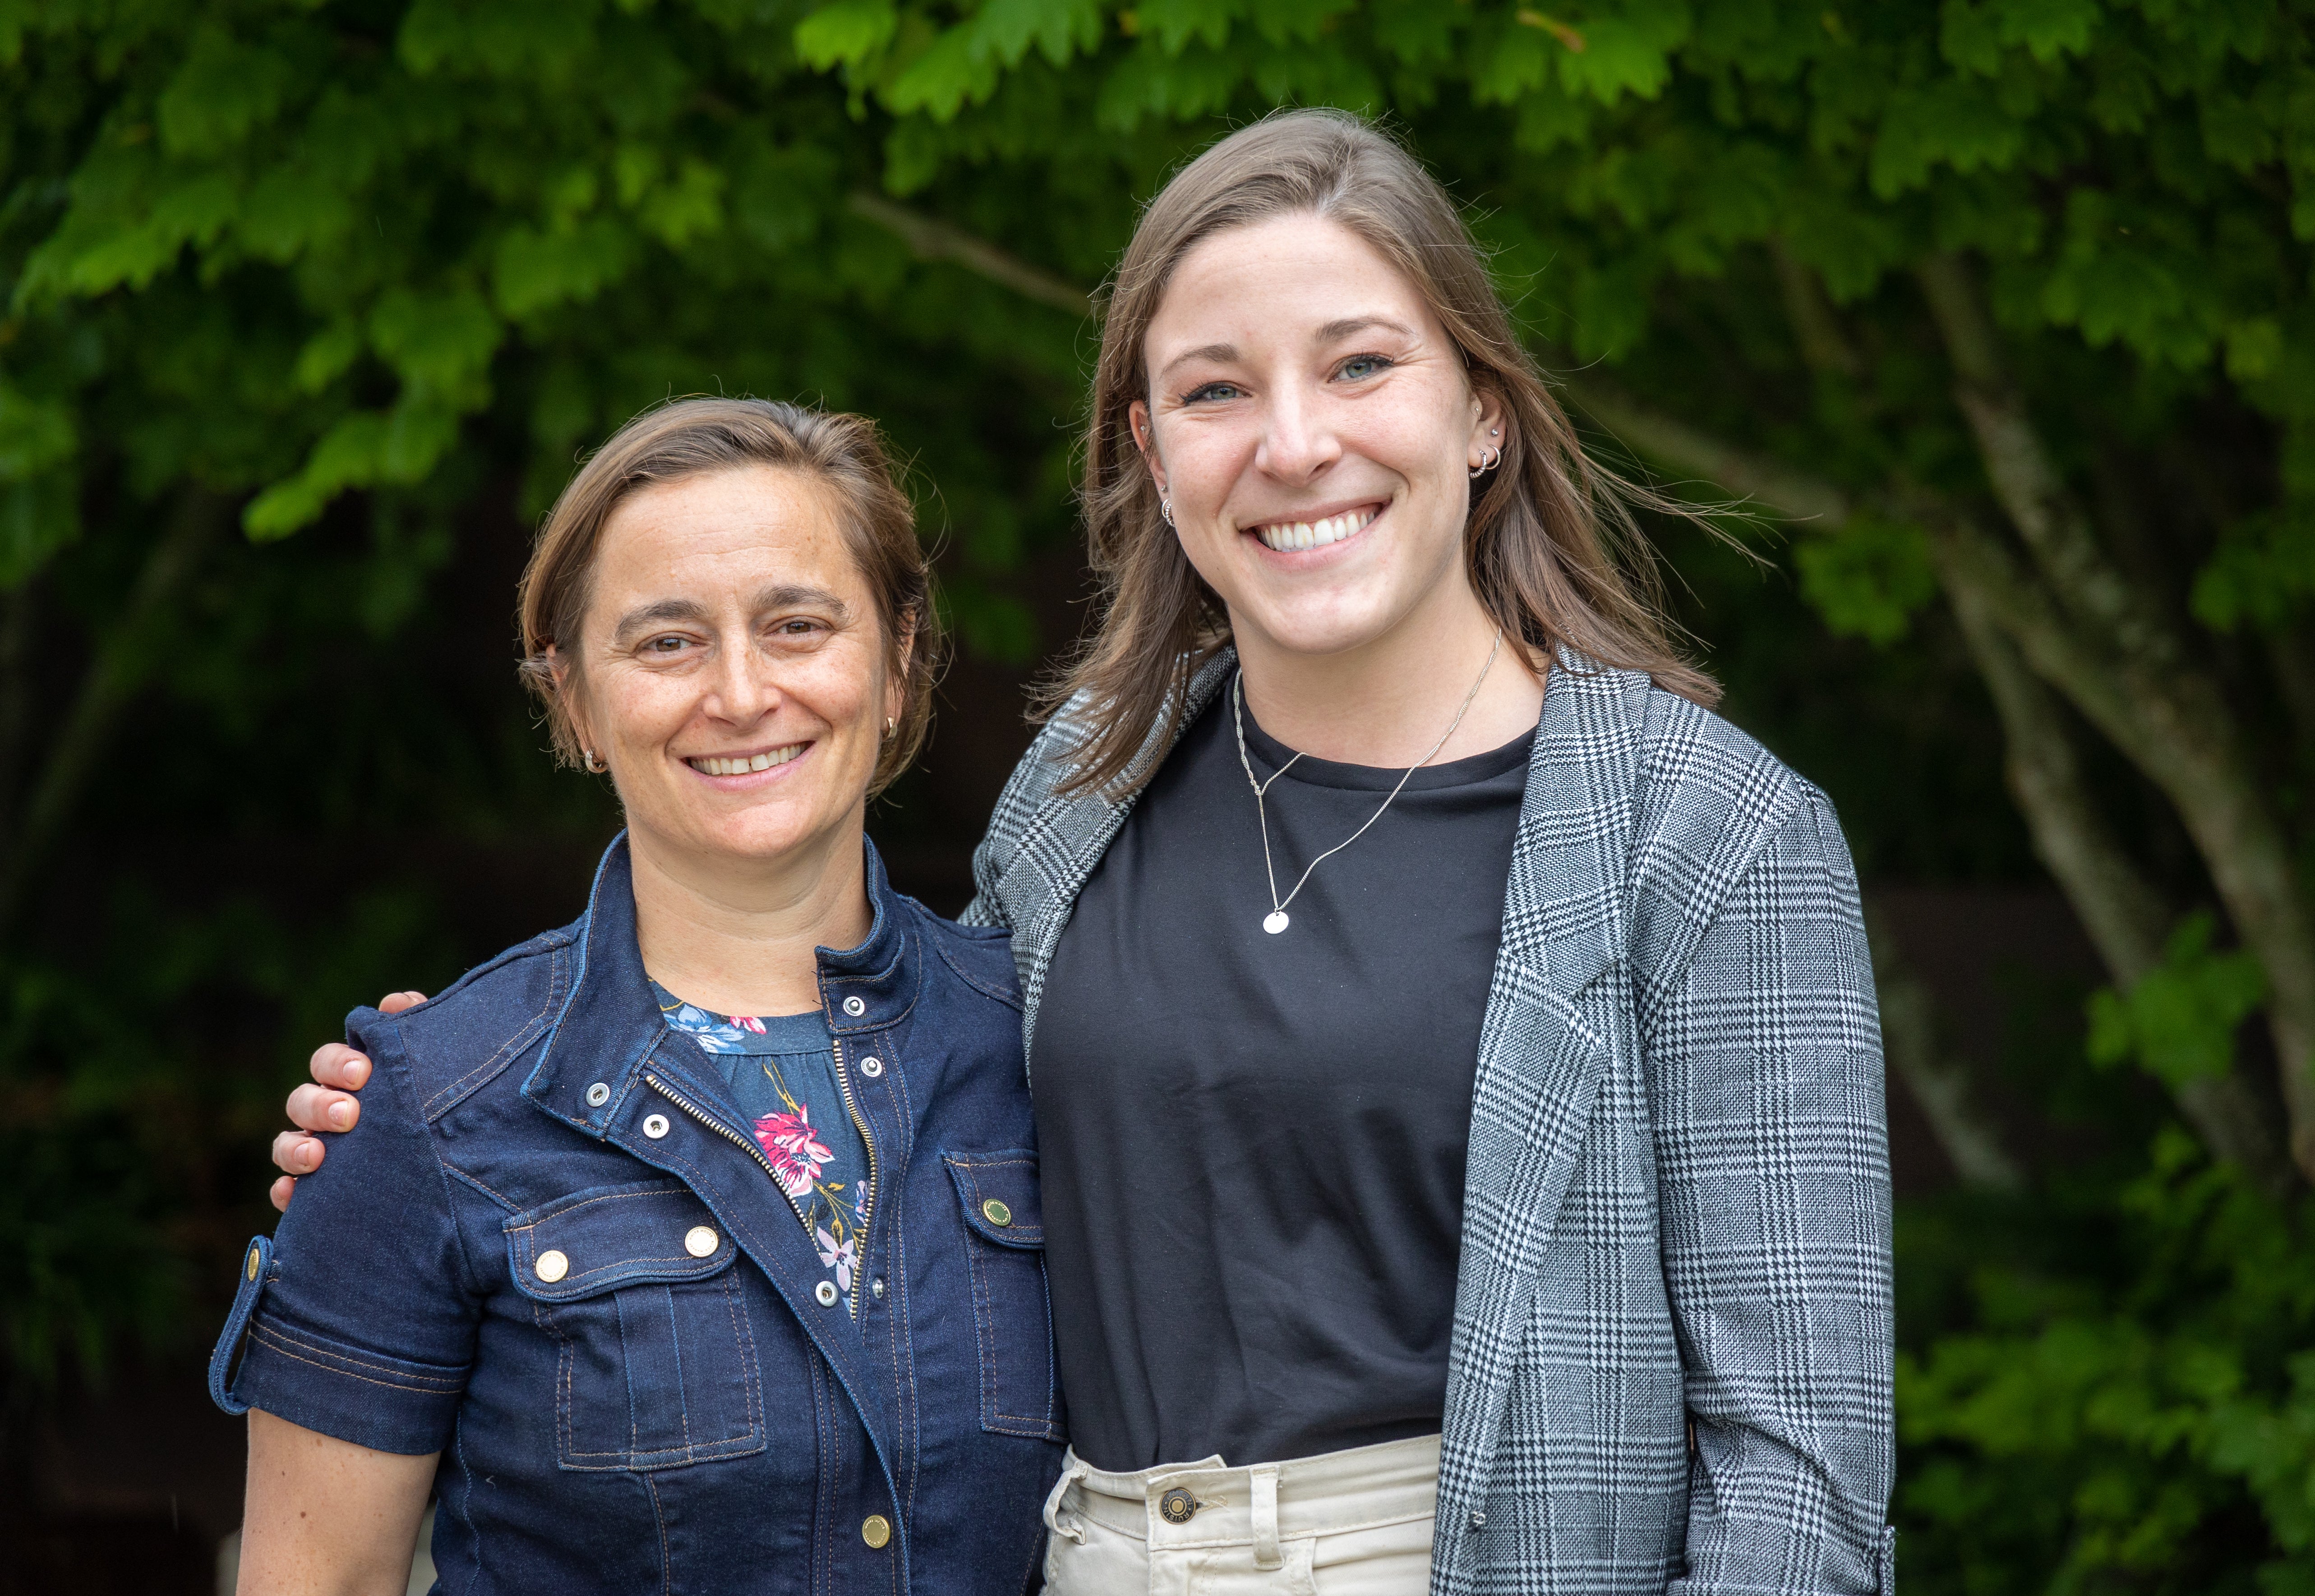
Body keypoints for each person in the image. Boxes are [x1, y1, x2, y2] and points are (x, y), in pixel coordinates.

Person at [272, 110, 1895, 1596]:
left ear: (1478, 410)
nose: (1292, 443)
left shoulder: (1706, 835)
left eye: (1357, 367)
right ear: (1147, 448)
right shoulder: (1089, 779)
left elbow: (1799, 1494)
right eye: (1214, 390)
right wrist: (457, 1100)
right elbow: (878, 1084)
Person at [216, 399, 1065, 1595]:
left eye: (797, 624)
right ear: (574, 699)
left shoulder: (1049, 1049)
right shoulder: (428, 1107)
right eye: (667, 642)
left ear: (899, 657)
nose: (738, 690)